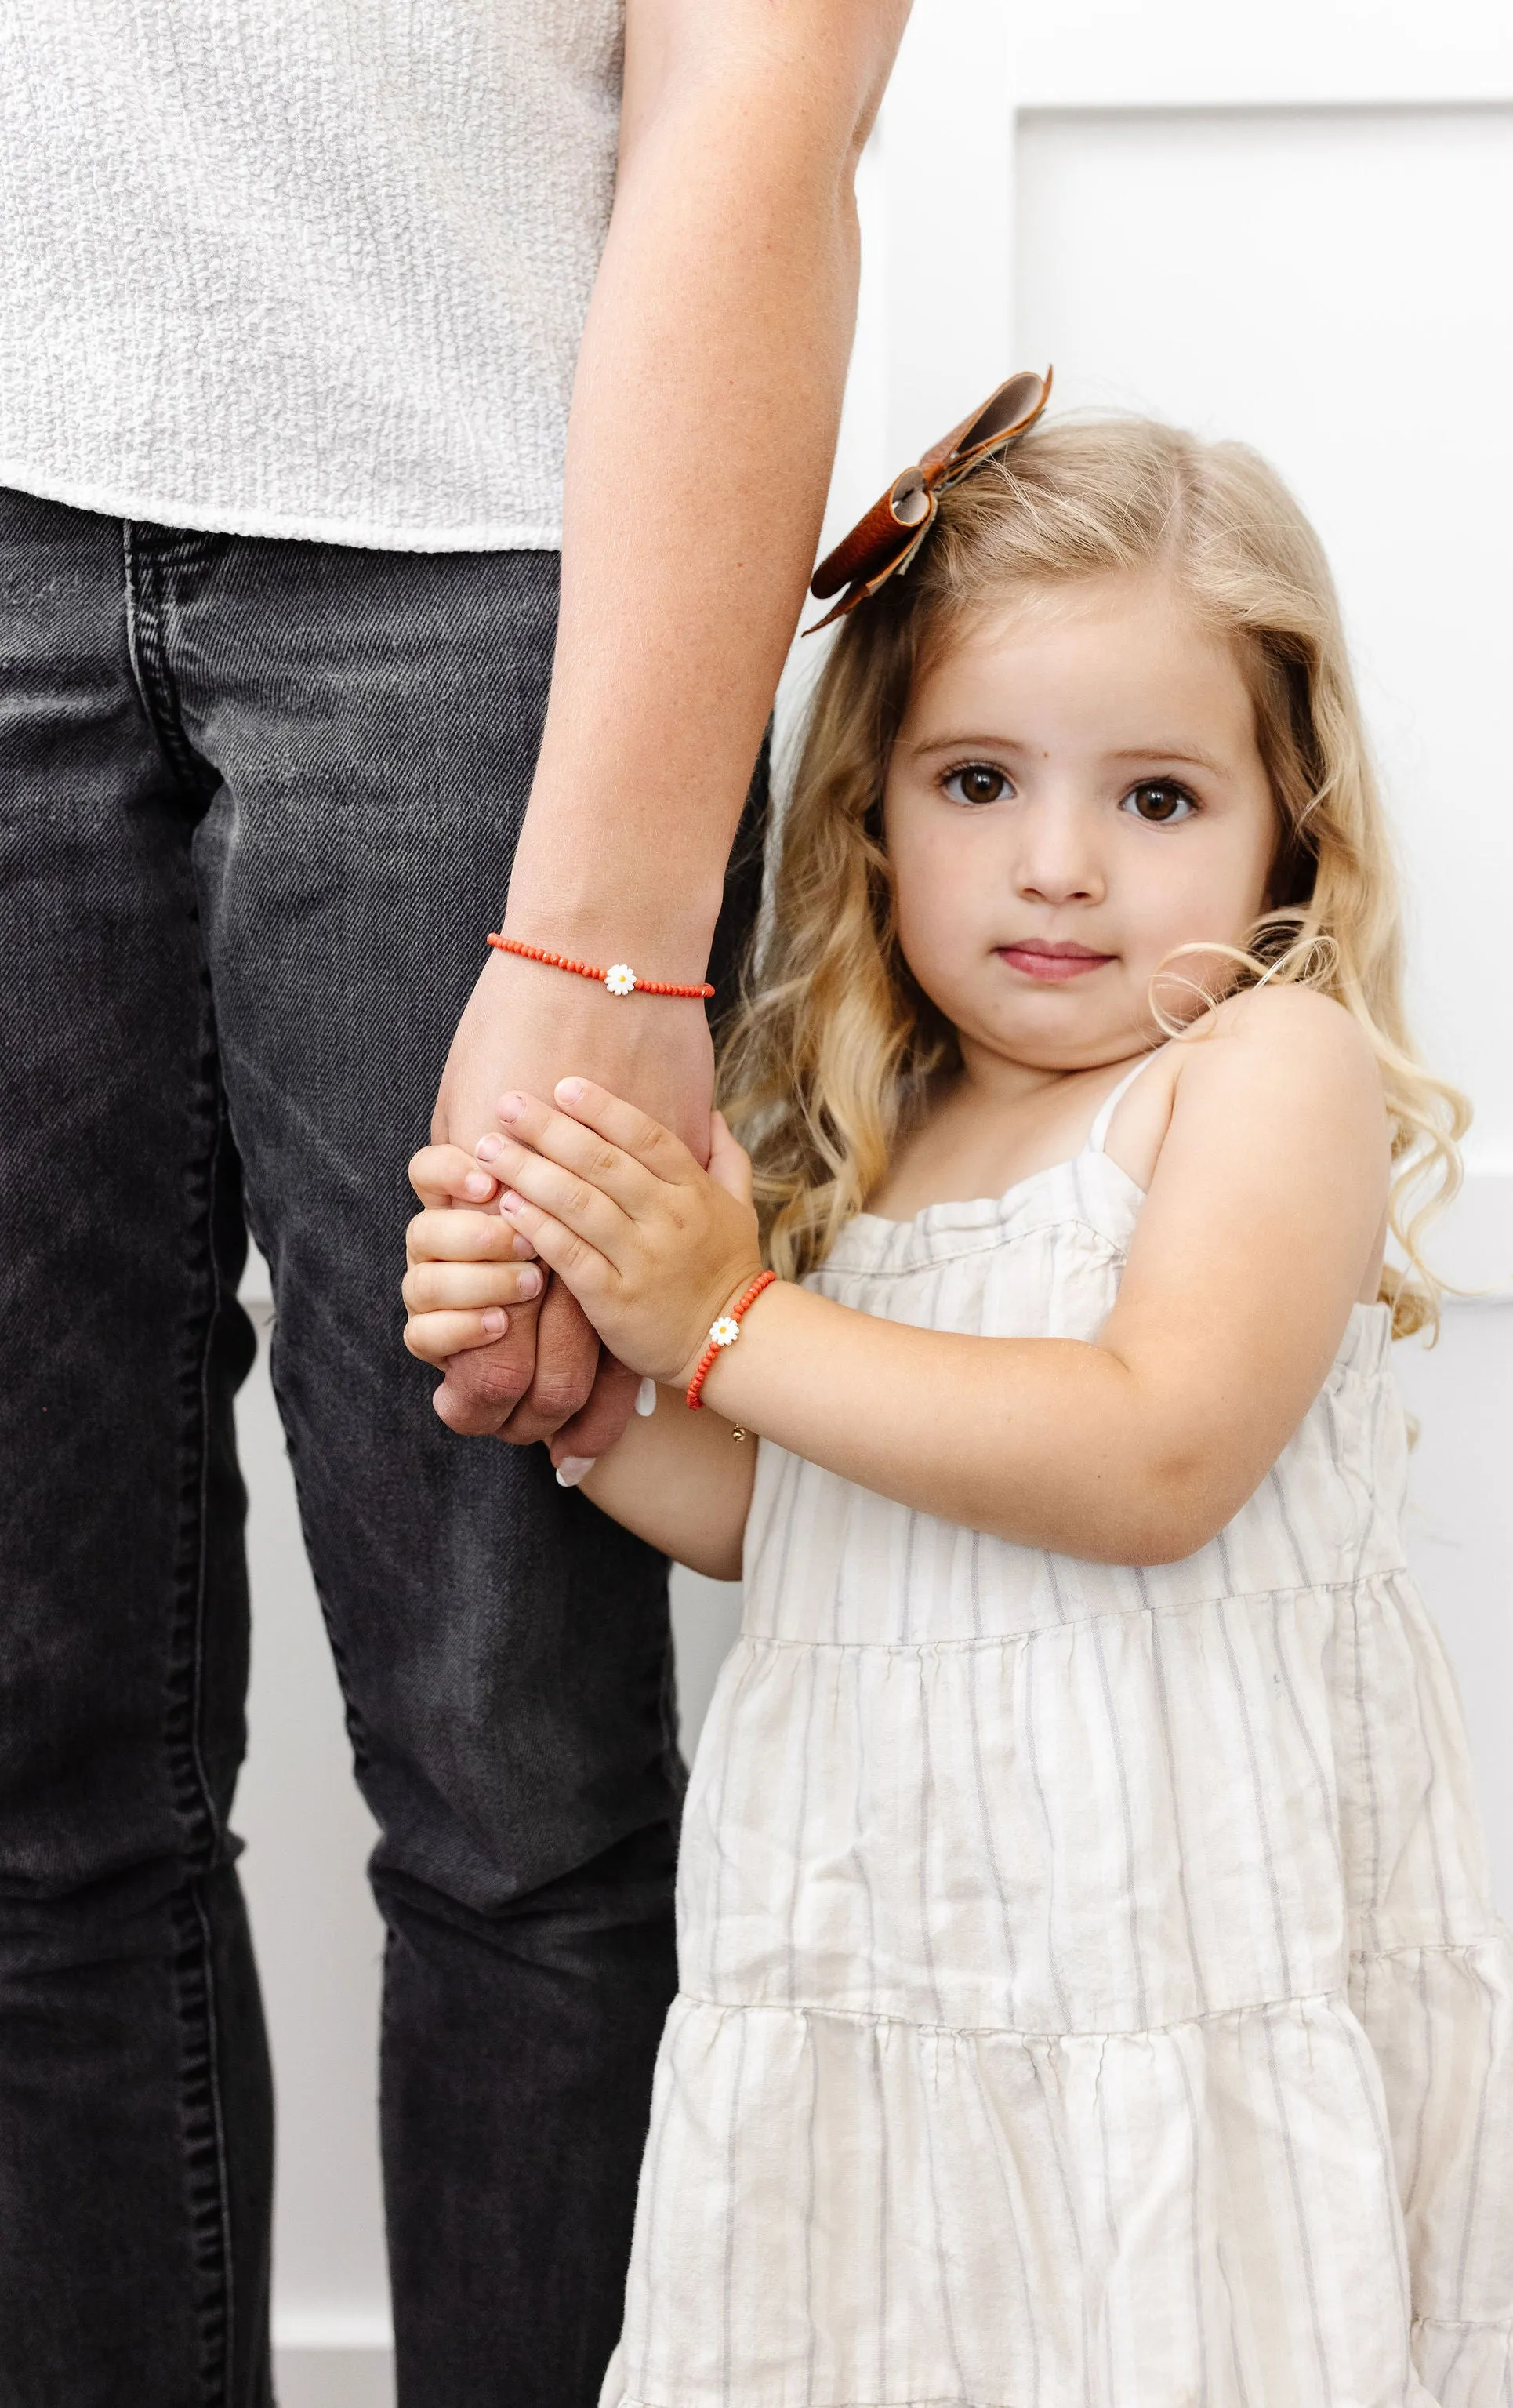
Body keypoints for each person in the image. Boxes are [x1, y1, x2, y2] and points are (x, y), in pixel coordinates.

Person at [403, 407, 1513, 2402]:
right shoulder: (888, 1135)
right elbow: (811, 1519)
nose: (1058, 864)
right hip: (893, 1968)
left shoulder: (1255, 1074)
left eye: (1155, 796)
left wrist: (719, 1318)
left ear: (1286, 822)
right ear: (872, 812)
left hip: (1159, 1971)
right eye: (979, 780)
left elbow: (1148, 1454)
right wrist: (589, 1394)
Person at [0, 4, 909, 2403]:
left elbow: (765, 92)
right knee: (26, 1768)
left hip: (496, 573)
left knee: (515, 1770)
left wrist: (609, 932)